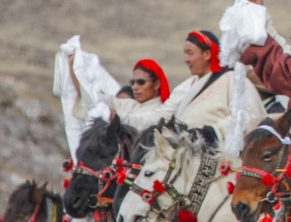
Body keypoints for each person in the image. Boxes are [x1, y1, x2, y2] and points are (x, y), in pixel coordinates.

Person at [111, 30, 266, 146]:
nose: (186, 60)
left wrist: (212, 133)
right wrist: (122, 118)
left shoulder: (234, 80)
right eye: (185, 54)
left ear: (207, 54)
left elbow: (250, 116)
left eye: (190, 53)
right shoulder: (188, 85)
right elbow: (162, 117)